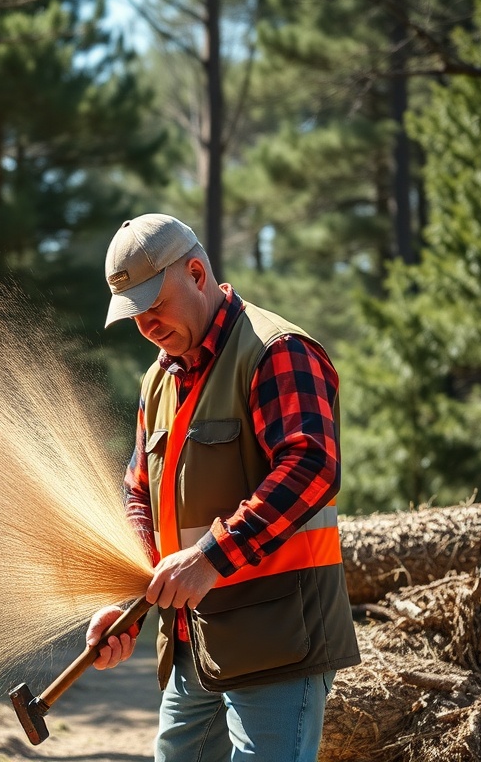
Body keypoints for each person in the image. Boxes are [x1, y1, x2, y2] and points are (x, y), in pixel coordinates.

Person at [87, 213, 360, 762]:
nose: (147, 326)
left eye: (154, 306)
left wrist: (211, 556)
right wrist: (131, 598)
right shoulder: (159, 378)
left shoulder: (276, 350)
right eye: (134, 314)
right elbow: (139, 492)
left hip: (279, 639)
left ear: (195, 272)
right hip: (194, 644)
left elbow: (312, 466)